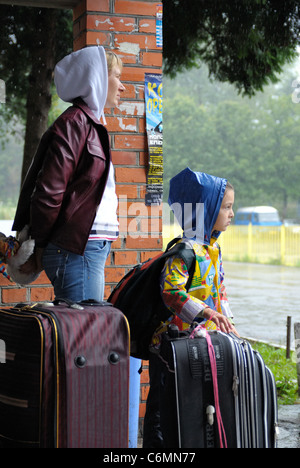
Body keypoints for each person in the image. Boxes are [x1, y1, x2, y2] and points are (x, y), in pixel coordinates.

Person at [12, 46, 125, 302]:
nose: (122, 86)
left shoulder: (92, 124)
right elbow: (49, 192)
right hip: (77, 249)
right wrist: (39, 245)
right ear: (97, 78)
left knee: (84, 332)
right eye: (117, 76)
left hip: (87, 248)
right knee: (83, 335)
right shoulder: (75, 123)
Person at [143, 167, 239, 448]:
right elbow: (171, 292)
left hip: (201, 344)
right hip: (172, 345)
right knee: (164, 406)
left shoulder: (212, 249)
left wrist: (228, 325)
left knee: (195, 403)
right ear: (206, 209)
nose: (232, 214)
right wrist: (207, 313)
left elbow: (219, 292)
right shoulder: (184, 252)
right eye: (226, 207)